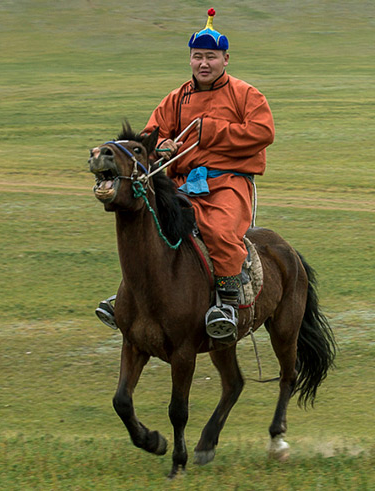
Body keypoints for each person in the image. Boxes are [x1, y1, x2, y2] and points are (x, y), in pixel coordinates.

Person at [96, 8, 275, 343]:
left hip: (227, 182)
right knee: (149, 227)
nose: (203, 63)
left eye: (211, 57)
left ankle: (225, 305)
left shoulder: (246, 95)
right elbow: (150, 134)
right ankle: (128, 299)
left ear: (225, 59)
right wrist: (160, 145)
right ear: (190, 60)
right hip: (180, 182)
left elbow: (263, 132)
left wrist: (213, 131)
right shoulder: (176, 98)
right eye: (197, 57)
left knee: (219, 231)